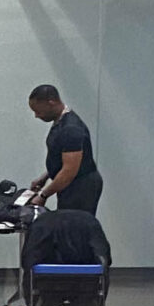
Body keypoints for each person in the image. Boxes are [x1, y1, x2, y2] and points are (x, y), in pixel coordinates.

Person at [27, 84, 102, 215]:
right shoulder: (59, 123)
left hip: (80, 188)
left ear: (51, 102)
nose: (37, 116)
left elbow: (69, 170)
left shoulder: (71, 128)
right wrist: (44, 177)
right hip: (70, 185)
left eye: (38, 111)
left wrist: (43, 195)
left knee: (73, 227)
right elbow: (61, 159)